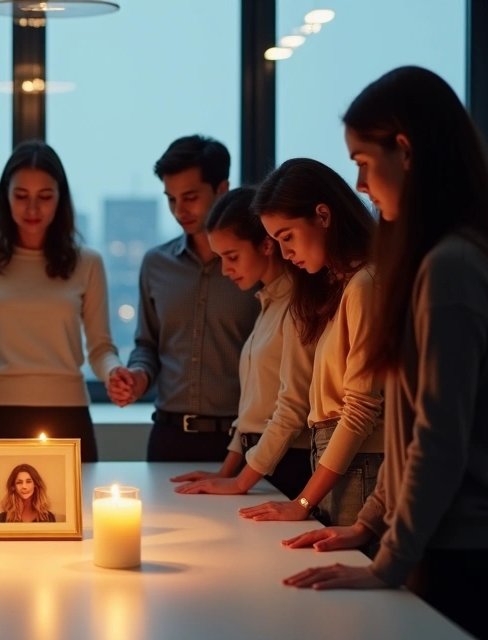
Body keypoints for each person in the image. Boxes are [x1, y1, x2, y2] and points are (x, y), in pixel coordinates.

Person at [280, 66, 488, 640]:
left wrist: (389, 563)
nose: (359, 185)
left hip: (477, 555)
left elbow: (438, 441)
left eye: (361, 163)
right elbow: (408, 439)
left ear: (403, 151)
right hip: (466, 545)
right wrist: (369, 525)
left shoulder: (451, 267)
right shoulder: (449, 256)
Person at [0, 141, 121, 463]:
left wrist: (114, 373)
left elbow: (100, 349)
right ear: (5, 196)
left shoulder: (88, 263)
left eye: (44, 197)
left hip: (68, 416)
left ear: (60, 199)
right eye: (21, 196)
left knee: (79, 513)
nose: (32, 209)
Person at [237, 158, 382, 527]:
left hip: (358, 462)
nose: (285, 254)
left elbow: (361, 408)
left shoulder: (365, 285)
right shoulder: (339, 286)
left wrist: (302, 501)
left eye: (287, 237)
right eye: (276, 241)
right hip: (338, 458)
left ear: (323, 215)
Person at [107, 135, 260, 462]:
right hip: (168, 438)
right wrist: (137, 377)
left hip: (243, 442)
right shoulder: (155, 264)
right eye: (171, 199)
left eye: (190, 197)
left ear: (222, 189)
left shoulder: (255, 267)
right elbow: (147, 345)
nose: (180, 210)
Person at [171, 187, 314, 500]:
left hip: (287, 464)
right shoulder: (268, 304)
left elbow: (292, 410)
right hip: (259, 464)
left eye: (232, 256)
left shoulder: (296, 305)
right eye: (220, 258)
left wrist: (239, 482)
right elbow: (252, 409)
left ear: (266, 245)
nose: (225, 270)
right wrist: (226, 472)